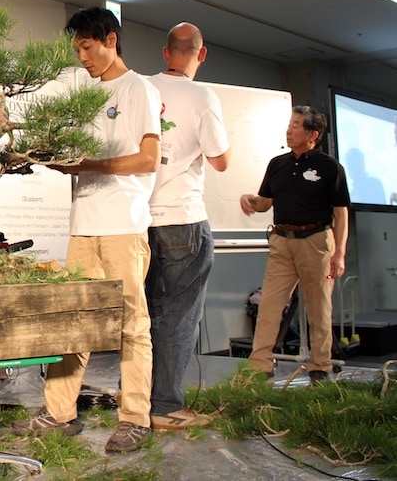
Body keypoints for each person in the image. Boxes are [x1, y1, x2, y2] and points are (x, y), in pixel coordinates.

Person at [12, 7, 162, 453]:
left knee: (132, 325)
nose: (82, 57)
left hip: (123, 225)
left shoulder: (139, 89)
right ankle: (59, 412)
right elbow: (78, 160)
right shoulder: (89, 97)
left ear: (111, 40)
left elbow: (148, 159)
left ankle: (135, 417)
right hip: (84, 226)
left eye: (86, 46)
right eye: (77, 48)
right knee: (72, 320)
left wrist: (91, 165)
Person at [145, 23, 230, 429]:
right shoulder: (202, 96)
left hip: (140, 219)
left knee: (145, 315)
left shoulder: (140, 89)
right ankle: (165, 406)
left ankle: (138, 404)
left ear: (165, 53)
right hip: (183, 218)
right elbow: (221, 160)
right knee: (179, 315)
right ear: (202, 53)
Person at [240, 106, 350, 384]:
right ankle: (260, 363)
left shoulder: (330, 168)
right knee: (269, 306)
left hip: (315, 241)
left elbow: (340, 212)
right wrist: (250, 201)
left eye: (296, 125)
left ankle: (320, 365)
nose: (289, 130)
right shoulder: (278, 164)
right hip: (281, 241)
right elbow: (265, 202)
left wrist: (339, 253)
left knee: (319, 307)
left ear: (312, 134)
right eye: (289, 124)